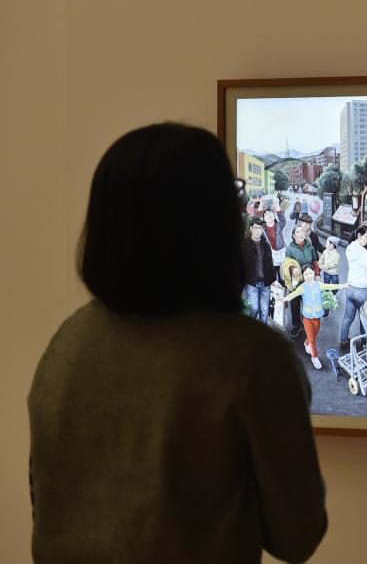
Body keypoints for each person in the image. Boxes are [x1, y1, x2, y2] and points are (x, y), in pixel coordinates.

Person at [29, 123, 325, 563]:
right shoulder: (251, 356)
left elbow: (48, 504)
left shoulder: (68, 342)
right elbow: (297, 535)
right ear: (216, 225)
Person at [282, 264, 346, 369]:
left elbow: (330, 286)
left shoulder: (319, 285)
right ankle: (314, 357)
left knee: (313, 335)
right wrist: (285, 299)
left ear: (313, 273)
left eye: (310, 273)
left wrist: (342, 286)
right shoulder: (302, 287)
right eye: (306, 274)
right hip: (307, 318)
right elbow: (294, 294)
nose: (308, 276)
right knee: (312, 339)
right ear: (303, 276)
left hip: (317, 317)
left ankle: (306, 343)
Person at [285, 225, 318, 335]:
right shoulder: (290, 250)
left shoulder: (310, 247)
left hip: (308, 281)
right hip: (295, 283)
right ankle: (296, 325)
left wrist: (317, 274)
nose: (301, 234)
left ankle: (307, 323)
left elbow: (315, 261)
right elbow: (286, 265)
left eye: (302, 231)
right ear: (293, 236)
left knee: (308, 303)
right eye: (298, 232)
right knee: (295, 305)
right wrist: (292, 269)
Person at [242, 218, 275, 324]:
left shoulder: (266, 245)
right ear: (251, 229)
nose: (258, 231)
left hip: (265, 284)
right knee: (253, 309)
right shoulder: (244, 245)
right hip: (251, 283)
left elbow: (270, 263)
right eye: (256, 228)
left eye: (260, 228)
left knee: (264, 311)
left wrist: (274, 279)